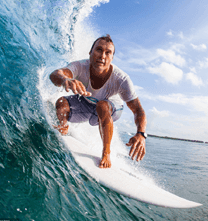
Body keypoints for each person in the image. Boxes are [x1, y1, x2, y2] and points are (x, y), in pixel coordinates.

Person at [49, 35, 147, 169]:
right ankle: (63, 127)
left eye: (108, 53)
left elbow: (138, 110)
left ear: (112, 58)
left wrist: (141, 134)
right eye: (99, 50)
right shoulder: (80, 66)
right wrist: (66, 80)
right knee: (61, 103)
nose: (102, 56)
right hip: (87, 105)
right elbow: (56, 74)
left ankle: (106, 153)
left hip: (111, 108)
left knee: (102, 106)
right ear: (90, 52)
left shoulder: (121, 79)